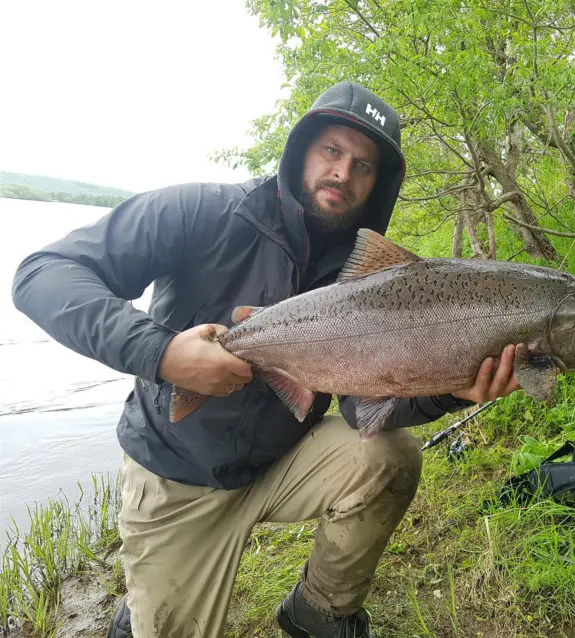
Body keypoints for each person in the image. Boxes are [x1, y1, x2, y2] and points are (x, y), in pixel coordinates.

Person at [11, 81, 520, 638]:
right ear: (300, 149)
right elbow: (43, 273)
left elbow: (363, 412)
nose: (343, 173)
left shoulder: (367, 277)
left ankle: (319, 611)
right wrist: (162, 353)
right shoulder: (200, 212)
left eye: (364, 165)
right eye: (331, 150)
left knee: (391, 456)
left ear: (380, 184)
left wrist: (450, 388)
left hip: (279, 462)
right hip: (179, 478)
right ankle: (144, 603)